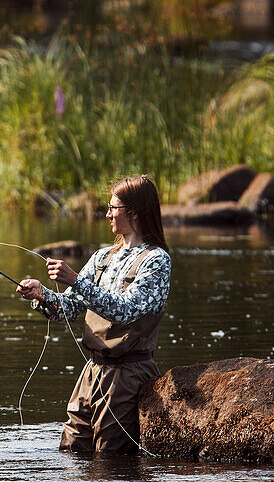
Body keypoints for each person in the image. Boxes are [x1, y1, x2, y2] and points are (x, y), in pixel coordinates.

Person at [17, 175, 171, 454]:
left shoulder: (156, 260)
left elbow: (126, 310)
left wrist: (76, 280)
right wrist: (41, 294)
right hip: (92, 372)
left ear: (134, 212)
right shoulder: (102, 257)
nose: (108, 213)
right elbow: (68, 310)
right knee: (71, 451)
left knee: (110, 461)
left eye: (114, 207)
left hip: (128, 374)